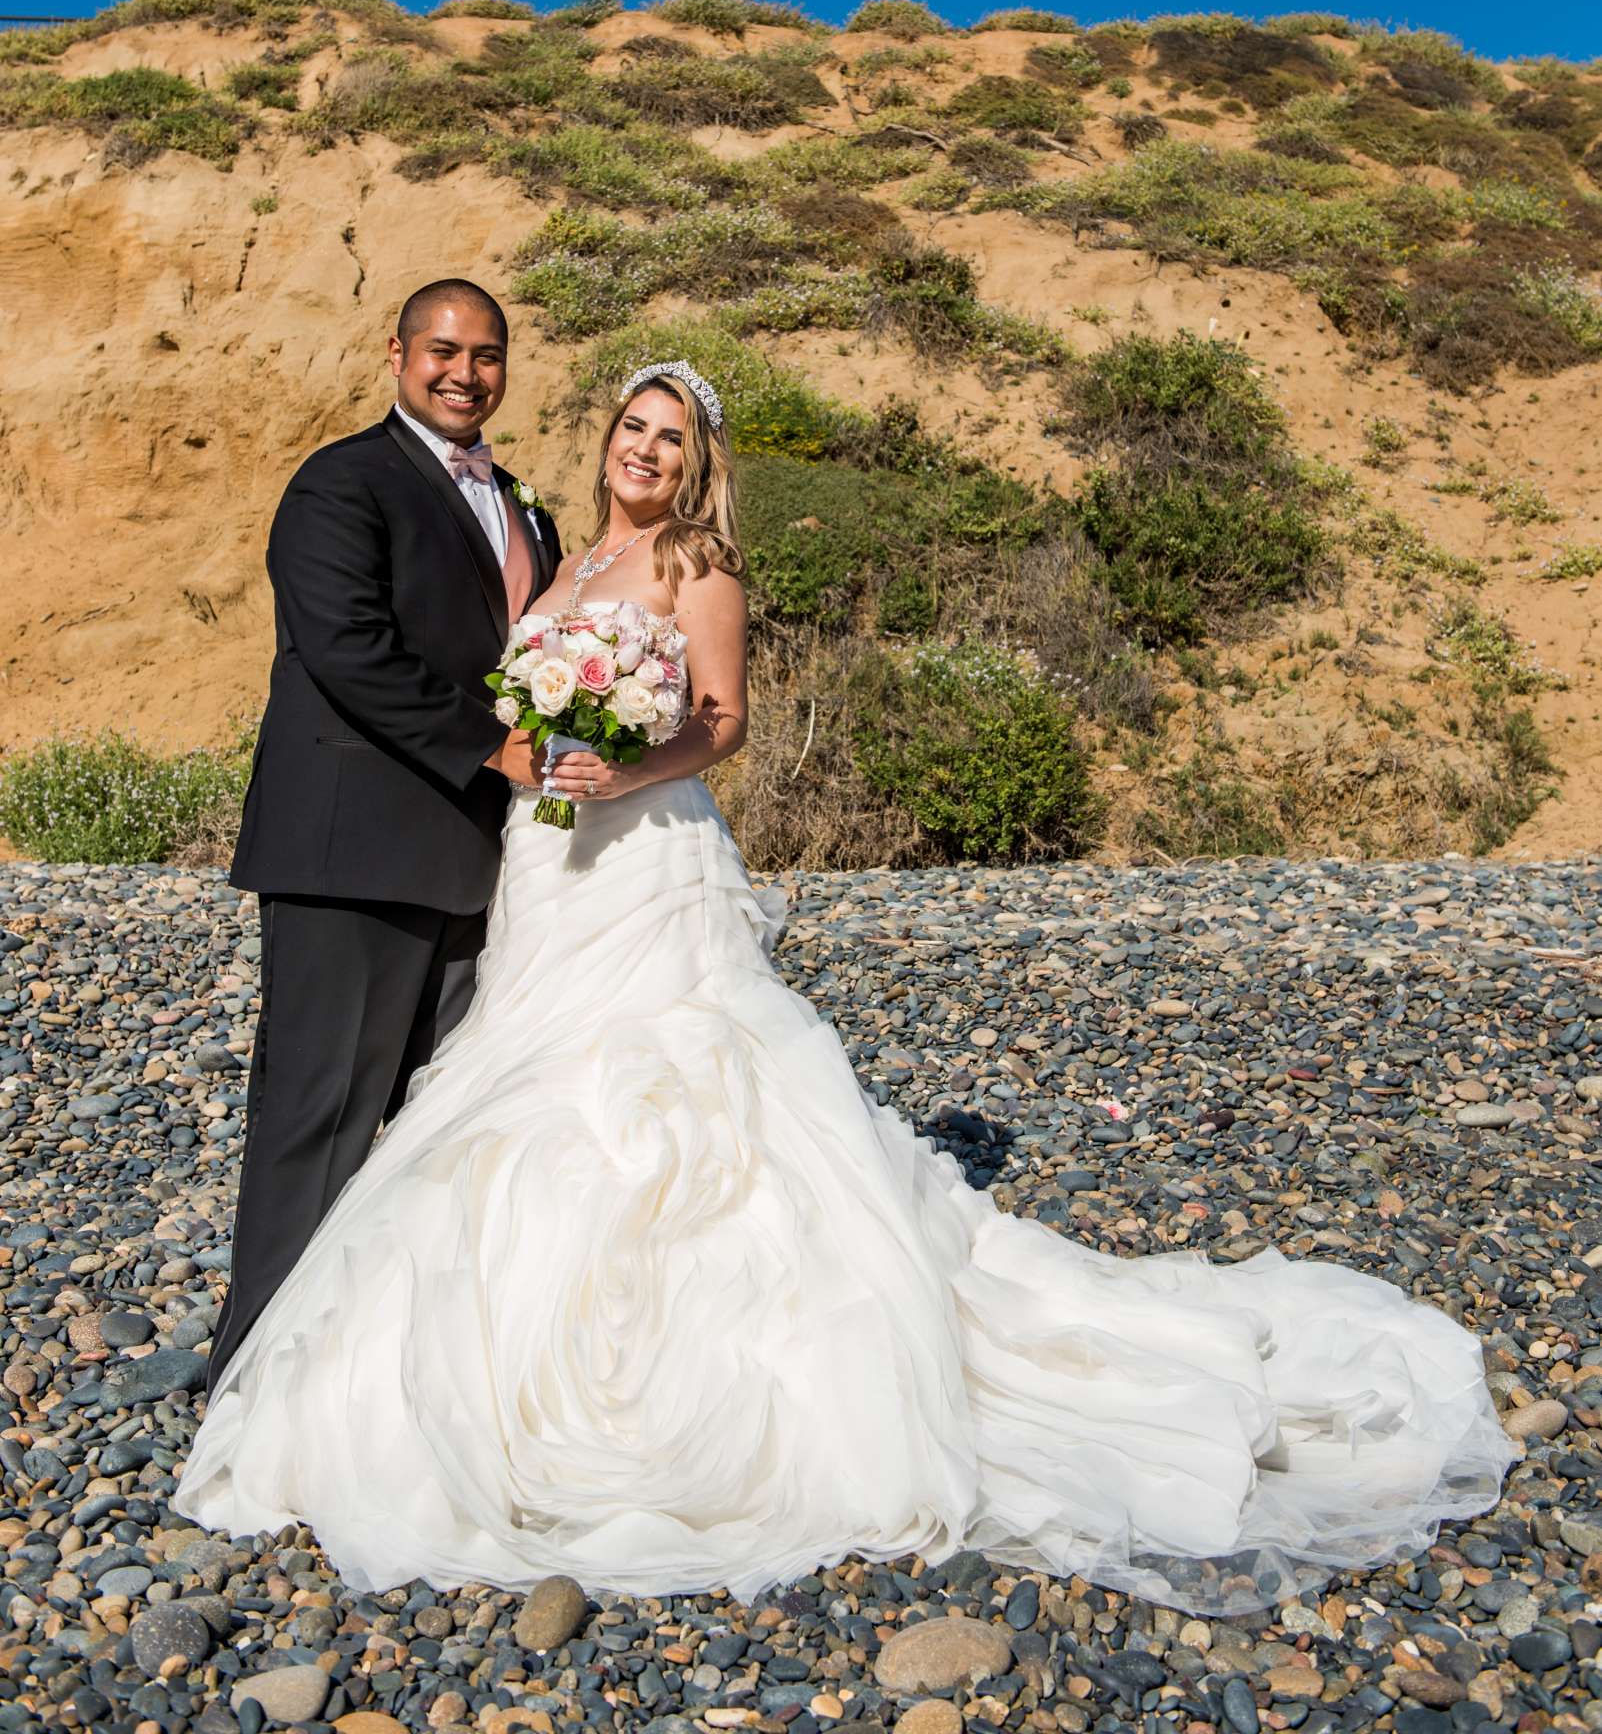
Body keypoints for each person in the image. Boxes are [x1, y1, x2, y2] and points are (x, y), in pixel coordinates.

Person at [178, 360, 1512, 1613]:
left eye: (670, 439)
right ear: (605, 442)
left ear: (695, 464)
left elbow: (720, 720)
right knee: (508, 1084)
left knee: (671, 1094)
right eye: (632, 429)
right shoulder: (560, 548)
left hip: (642, 857)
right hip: (547, 874)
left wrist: (612, 769)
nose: (644, 453)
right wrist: (546, 750)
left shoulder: (699, 563)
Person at [205, 279, 560, 1390]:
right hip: (354, 853)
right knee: (319, 1124)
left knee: (424, 1128)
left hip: (472, 861)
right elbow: (347, 647)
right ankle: (255, 1385)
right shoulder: (340, 483)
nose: (465, 373)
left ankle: (369, 1386)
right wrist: (492, 749)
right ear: (396, 352)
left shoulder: (525, 505)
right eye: (444, 351)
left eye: (488, 355)